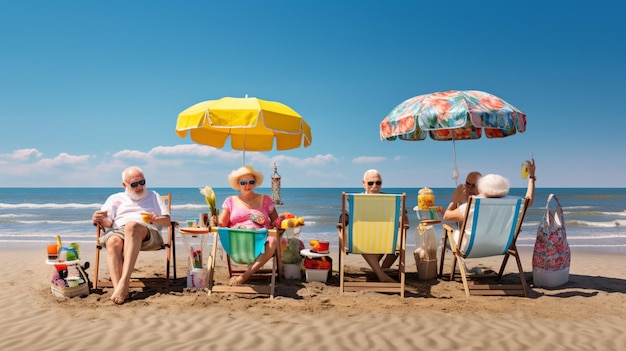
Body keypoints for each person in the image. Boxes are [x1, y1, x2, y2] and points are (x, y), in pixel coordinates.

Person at [92, 166, 171, 304]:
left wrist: (156, 219)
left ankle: (124, 281)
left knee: (132, 225)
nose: (140, 187)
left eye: (142, 182)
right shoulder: (115, 198)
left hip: (148, 233)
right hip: (120, 232)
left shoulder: (153, 196)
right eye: (134, 184)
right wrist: (97, 218)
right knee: (113, 241)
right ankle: (120, 290)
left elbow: (167, 221)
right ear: (125, 185)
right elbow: (108, 223)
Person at [443, 159, 536, 251]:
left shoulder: (472, 205)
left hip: (471, 249)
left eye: (474, 186)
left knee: (446, 237)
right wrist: (531, 177)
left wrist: (454, 200)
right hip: (502, 247)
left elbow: (446, 216)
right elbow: (529, 200)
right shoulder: (514, 203)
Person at [338, 169, 409, 283]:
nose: (374, 186)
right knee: (361, 235)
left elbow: (403, 215)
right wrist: (344, 219)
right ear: (363, 183)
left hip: (385, 238)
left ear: (382, 183)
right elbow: (344, 217)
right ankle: (382, 275)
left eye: (378, 183)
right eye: (370, 183)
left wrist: (403, 219)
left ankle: (380, 271)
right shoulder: (354, 201)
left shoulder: (390, 200)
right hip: (364, 239)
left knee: (400, 236)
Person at [218, 165, 279, 286]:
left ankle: (245, 276)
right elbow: (221, 224)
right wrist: (214, 218)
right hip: (238, 243)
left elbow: (276, 221)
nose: (247, 185)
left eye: (251, 182)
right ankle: (249, 272)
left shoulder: (265, 200)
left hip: (261, 241)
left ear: (255, 183)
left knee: (273, 240)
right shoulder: (230, 201)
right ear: (238, 184)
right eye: (243, 182)